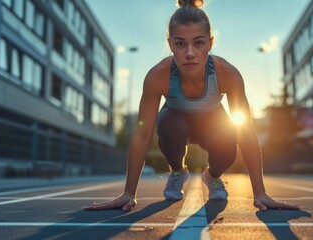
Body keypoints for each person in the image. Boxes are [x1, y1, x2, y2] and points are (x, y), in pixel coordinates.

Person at [84, 0, 299, 212]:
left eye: (198, 43)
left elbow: (247, 132)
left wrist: (260, 193)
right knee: (168, 122)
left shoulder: (228, 74)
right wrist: (129, 192)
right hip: (176, 123)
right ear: (170, 45)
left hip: (213, 125)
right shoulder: (157, 76)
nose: (189, 53)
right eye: (180, 44)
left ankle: (212, 176)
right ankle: (177, 171)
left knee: (230, 133)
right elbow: (142, 133)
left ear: (210, 43)